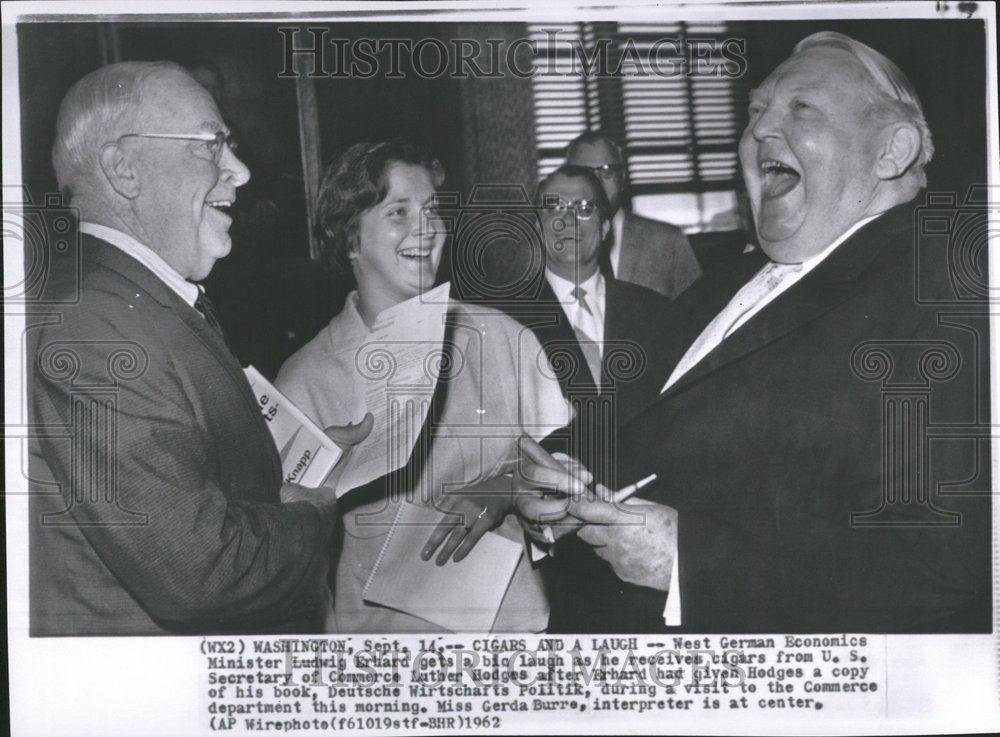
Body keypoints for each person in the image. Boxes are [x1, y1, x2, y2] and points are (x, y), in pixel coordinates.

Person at [553, 32, 991, 633]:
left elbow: (944, 563)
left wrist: (689, 560)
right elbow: (641, 415)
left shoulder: (944, 292)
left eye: (801, 107)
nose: (759, 129)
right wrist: (549, 469)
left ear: (892, 151)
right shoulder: (724, 281)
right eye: (756, 109)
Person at [28, 61, 371, 636]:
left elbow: (181, 463)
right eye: (211, 145)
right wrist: (312, 512)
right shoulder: (97, 328)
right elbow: (201, 572)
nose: (238, 171)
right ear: (123, 170)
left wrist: (301, 454)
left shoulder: (134, 298)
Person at [275, 139, 575, 633]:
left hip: (513, 644)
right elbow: (283, 555)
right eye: (398, 212)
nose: (427, 228)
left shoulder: (505, 339)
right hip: (383, 662)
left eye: (433, 210)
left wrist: (509, 486)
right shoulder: (306, 379)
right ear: (349, 239)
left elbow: (571, 470)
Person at [565, 131, 701, 300]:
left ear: (622, 178)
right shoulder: (547, 246)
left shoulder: (668, 241)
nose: (596, 183)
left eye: (607, 171)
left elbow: (696, 313)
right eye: (584, 172)